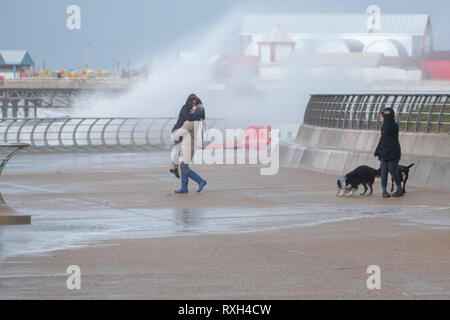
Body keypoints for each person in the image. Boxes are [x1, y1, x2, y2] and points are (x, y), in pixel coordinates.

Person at [170, 94, 207, 194]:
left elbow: (176, 135)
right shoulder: (192, 117)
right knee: (183, 165)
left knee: (183, 166)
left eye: (195, 105)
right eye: (192, 104)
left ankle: (200, 181)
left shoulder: (191, 123)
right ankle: (183, 187)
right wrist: (198, 108)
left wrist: (199, 107)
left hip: (187, 144)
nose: (192, 107)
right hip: (184, 140)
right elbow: (189, 117)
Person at [374, 107, 404, 198]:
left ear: (388, 116)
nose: (381, 118)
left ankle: (399, 189)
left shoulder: (393, 125)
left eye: (382, 116)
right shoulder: (384, 126)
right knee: (384, 171)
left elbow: (389, 129)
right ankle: (384, 191)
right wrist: (377, 150)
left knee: (392, 170)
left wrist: (387, 116)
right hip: (384, 152)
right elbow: (382, 139)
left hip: (393, 152)